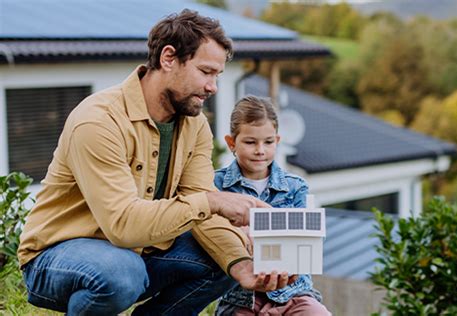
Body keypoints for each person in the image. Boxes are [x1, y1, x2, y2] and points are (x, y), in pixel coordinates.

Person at [17, 10, 293, 315]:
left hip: (139, 253)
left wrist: (241, 266)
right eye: (205, 72)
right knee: (121, 273)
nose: (213, 86)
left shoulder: (195, 125)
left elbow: (200, 206)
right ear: (168, 58)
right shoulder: (98, 120)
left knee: (225, 255)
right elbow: (122, 225)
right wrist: (213, 201)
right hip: (57, 257)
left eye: (218, 75)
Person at [214, 95, 332, 315]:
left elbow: (309, 240)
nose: (260, 150)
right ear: (232, 143)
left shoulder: (296, 186)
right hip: (240, 297)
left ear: (277, 141)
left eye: (268, 142)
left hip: (293, 293)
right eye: (250, 142)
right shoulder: (216, 185)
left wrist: (253, 233)